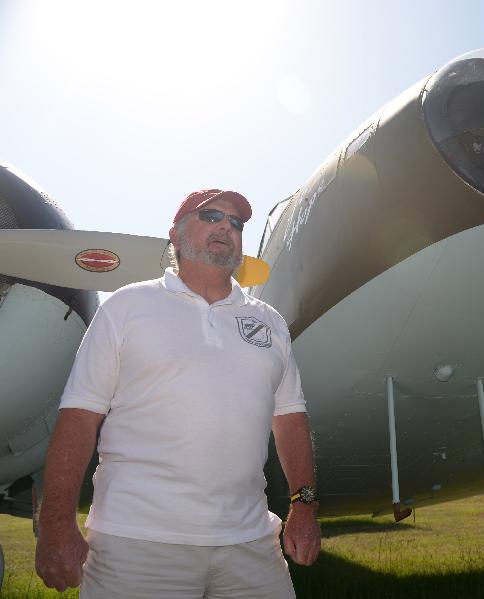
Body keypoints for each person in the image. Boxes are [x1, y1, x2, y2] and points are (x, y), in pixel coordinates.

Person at [34, 189, 320, 598]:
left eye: (237, 223)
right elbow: (79, 416)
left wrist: (305, 506)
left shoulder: (269, 323)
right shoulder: (126, 307)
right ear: (176, 234)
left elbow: (291, 419)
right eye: (212, 216)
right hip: (136, 543)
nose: (227, 226)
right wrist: (57, 523)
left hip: (250, 542)